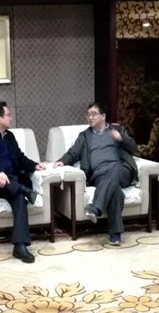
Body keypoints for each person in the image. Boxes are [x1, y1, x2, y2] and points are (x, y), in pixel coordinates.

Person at [53, 102, 138, 245]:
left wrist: (121, 139)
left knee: (115, 170)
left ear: (103, 116)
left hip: (122, 170)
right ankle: (115, 234)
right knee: (115, 192)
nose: (90, 117)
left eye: (93, 114)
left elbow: (134, 148)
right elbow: (73, 153)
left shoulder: (117, 130)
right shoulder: (85, 136)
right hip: (100, 175)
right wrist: (62, 161)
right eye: (88, 115)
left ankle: (96, 208)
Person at [0, 101, 46, 263]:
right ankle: (25, 190)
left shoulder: (10, 136)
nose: (11, 118)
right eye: (8, 115)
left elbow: (20, 158)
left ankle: (20, 247)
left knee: (19, 198)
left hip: (10, 183)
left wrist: (35, 165)